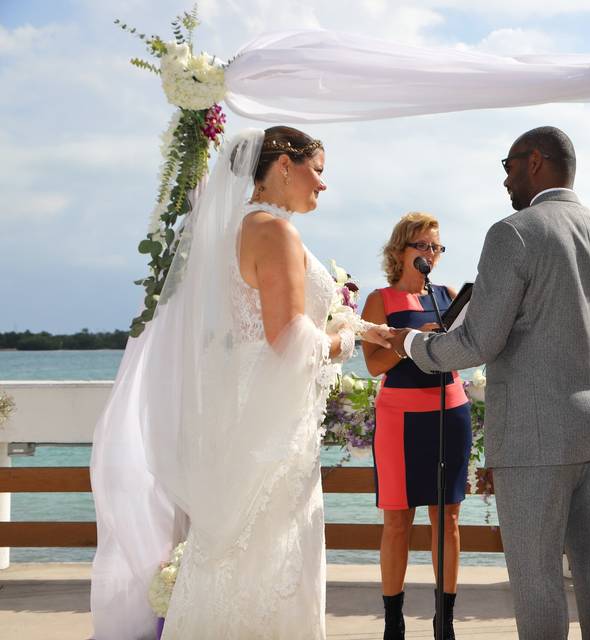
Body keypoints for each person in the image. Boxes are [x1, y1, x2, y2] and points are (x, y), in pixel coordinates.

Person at [93, 126, 393, 639]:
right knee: (273, 556)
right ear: (283, 167)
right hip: (272, 428)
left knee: (233, 554)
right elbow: (290, 339)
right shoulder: (275, 232)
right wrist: (351, 346)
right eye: (317, 170)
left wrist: (368, 327)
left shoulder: (236, 228)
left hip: (243, 412)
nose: (323, 185)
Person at [388, 126, 590, 640]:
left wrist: (412, 345)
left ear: (536, 161)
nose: (504, 179)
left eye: (508, 165)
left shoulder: (514, 232)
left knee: (536, 570)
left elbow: (477, 343)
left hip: (535, 433)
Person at [360, 212, 472, 640]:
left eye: (435, 248)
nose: (429, 254)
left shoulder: (448, 296)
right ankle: (394, 623)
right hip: (400, 420)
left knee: (448, 521)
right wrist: (412, 343)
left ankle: (445, 624)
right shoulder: (380, 301)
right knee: (397, 523)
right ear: (399, 251)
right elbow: (373, 365)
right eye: (421, 246)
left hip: (452, 411)